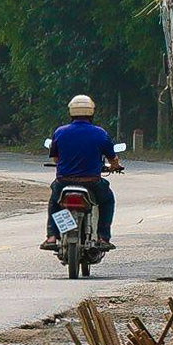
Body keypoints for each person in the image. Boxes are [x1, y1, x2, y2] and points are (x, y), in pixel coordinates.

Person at [42, 93, 122, 251]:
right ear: (91, 112)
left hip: (64, 181)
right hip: (91, 182)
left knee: (55, 202)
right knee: (107, 200)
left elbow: (56, 159)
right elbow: (113, 159)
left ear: (71, 112)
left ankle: (52, 236)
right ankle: (103, 237)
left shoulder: (60, 132)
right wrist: (115, 167)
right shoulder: (100, 133)